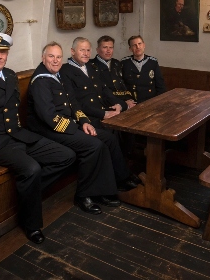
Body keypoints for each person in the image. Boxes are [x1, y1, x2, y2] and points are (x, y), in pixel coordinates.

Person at [0, 33, 75, 245]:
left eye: (3, 52)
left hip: (17, 135)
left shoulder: (10, 75)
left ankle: (29, 191)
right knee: (31, 169)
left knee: (66, 155)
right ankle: (32, 225)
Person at [26, 42, 137, 214]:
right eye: (51, 56)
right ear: (42, 58)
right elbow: (49, 118)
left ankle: (104, 191)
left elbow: (73, 103)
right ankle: (83, 195)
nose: (55, 61)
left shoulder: (57, 75)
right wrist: (76, 127)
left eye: (58, 57)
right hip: (49, 130)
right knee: (93, 146)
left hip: (67, 124)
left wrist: (84, 121)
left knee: (108, 138)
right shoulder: (40, 81)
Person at [60, 37, 143, 176]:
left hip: (101, 110)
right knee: (111, 134)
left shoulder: (90, 68)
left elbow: (104, 90)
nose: (86, 53)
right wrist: (103, 114)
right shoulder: (65, 71)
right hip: (87, 117)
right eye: (82, 50)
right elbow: (75, 103)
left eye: (88, 50)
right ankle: (120, 176)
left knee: (127, 122)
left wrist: (119, 104)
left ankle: (122, 171)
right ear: (72, 51)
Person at [91, 35, 136, 109]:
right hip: (106, 104)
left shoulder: (117, 63)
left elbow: (125, 84)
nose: (108, 50)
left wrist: (129, 99)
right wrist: (123, 103)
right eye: (105, 47)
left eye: (111, 47)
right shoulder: (91, 66)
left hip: (124, 102)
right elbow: (101, 92)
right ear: (97, 50)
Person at [121, 35, 167, 103]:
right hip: (132, 102)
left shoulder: (153, 62)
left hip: (150, 101)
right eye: (134, 45)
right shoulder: (124, 63)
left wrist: (158, 102)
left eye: (139, 44)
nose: (138, 47)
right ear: (130, 49)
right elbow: (121, 86)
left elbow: (161, 86)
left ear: (144, 45)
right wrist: (126, 100)